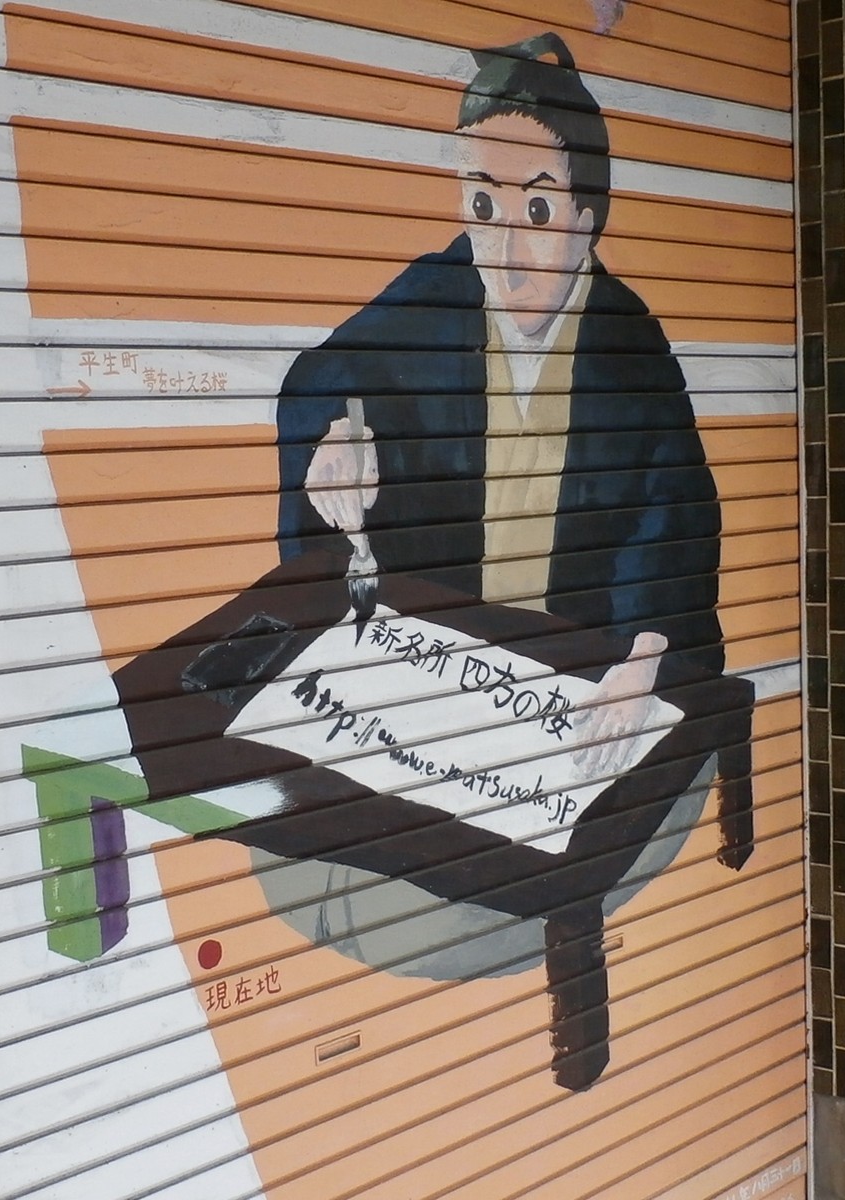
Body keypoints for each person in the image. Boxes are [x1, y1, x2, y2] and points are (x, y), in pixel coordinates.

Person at [275, 32, 724, 783]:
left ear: (587, 218)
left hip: (577, 677)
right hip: (450, 668)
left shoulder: (629, 348)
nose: (505, 252)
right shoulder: (438, 291)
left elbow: (675, 520)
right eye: (482, 204)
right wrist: (339, 427)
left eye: (538, 210)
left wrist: (642, 658)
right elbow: (322, 375)